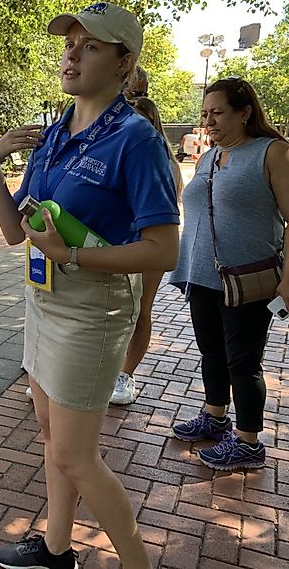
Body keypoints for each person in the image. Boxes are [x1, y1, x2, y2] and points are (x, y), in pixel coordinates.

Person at [0, 3, 179, 569]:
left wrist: (70, 253)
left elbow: (163, 249)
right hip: (43, 297)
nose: (71, 52)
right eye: (70, 42)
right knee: (49, 431)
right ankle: (55, 548)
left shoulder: (136, 140)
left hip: (92, 308)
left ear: (125, 64)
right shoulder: (54, 134)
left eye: (90, 45)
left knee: (75, 455)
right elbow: (9, 230)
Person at [170, 78, 289, 470]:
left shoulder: (275, 153)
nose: (208, 121)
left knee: (243, 362)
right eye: (204, 114)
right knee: (211, 351)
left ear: (244, 112)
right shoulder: (209, 157)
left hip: (247, 277)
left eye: (217, 113)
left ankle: (249, 442)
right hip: (202, 274)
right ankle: (215, 418)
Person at [110, 96, 184, 405]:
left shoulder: (159, 159)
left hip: (149, 247)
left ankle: (125, 374)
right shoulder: (115, 149)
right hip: (119, 245)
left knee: (141, 310)